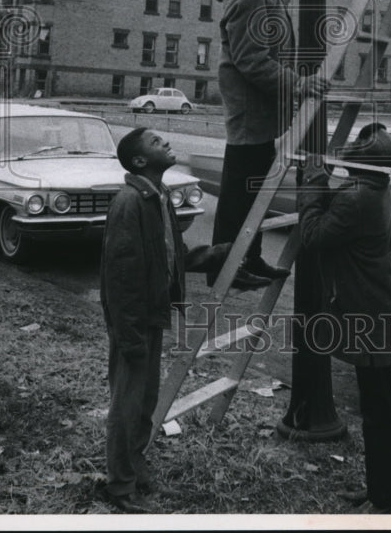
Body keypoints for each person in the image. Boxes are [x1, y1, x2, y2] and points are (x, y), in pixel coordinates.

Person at [100, 127, 231, 513]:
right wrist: (128, 335)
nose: (166, 144)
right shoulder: (129, 202)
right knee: (127, 403)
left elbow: (176, 256)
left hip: (152, 315)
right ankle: (120, 487)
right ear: (140, 161)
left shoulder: (158, 198)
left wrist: (222, 253)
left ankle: (135, 468)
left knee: (146, 400)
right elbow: (120, 275)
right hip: (133, 320)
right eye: (157, 143)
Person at [210, 0, 325, 289]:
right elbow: (250, 60)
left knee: (252, 186)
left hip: (259, 104)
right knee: (240, 190)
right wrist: (298, 84)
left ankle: (249, 257)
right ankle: (228, 263)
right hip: (249, 104)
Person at [297, 122, 391, 515]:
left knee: (378, 412)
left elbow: (313, 237)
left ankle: (386, 501)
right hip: (380, 304)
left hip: (371, 313)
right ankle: (383, 490)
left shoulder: (357, 197)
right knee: (378, 408)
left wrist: (313, 187)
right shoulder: (372, 188)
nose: (348, 148)